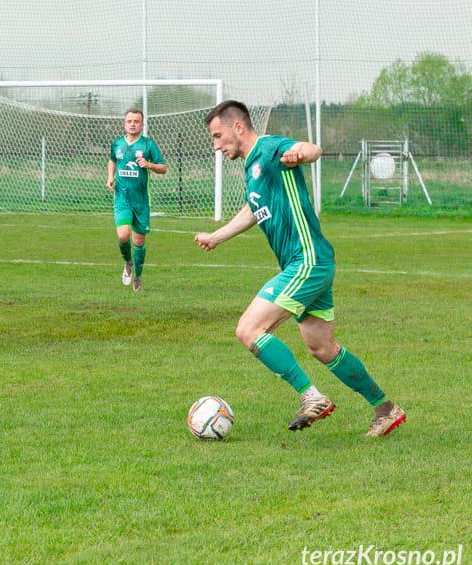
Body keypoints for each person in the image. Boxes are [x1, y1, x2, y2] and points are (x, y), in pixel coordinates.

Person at [194, 100, 405, 437]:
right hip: (312, 262)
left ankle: (312, 397)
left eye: (218, 136)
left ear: (238, 127)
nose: (216, 146)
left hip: (306, 260)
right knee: (322, 348)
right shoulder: (252, 167)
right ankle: (386, 410)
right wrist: (217, 237)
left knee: (248, 329)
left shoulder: (268, 148)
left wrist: (302, 154)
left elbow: (312, 149)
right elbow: (253, 208)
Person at [106, 109, 167, 292]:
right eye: (129, 121)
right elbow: (112, 160)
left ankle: (138, 276)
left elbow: (163, 168)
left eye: (136, 121)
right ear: (125, 123)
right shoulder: (117, 143)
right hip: (122, 198)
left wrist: (149, 165)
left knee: (139, 242)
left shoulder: (148, 144)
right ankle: (128, 262)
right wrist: (110, 177)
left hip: (141, 202)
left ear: (142, 124)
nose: (133, 124)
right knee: (123, 235)